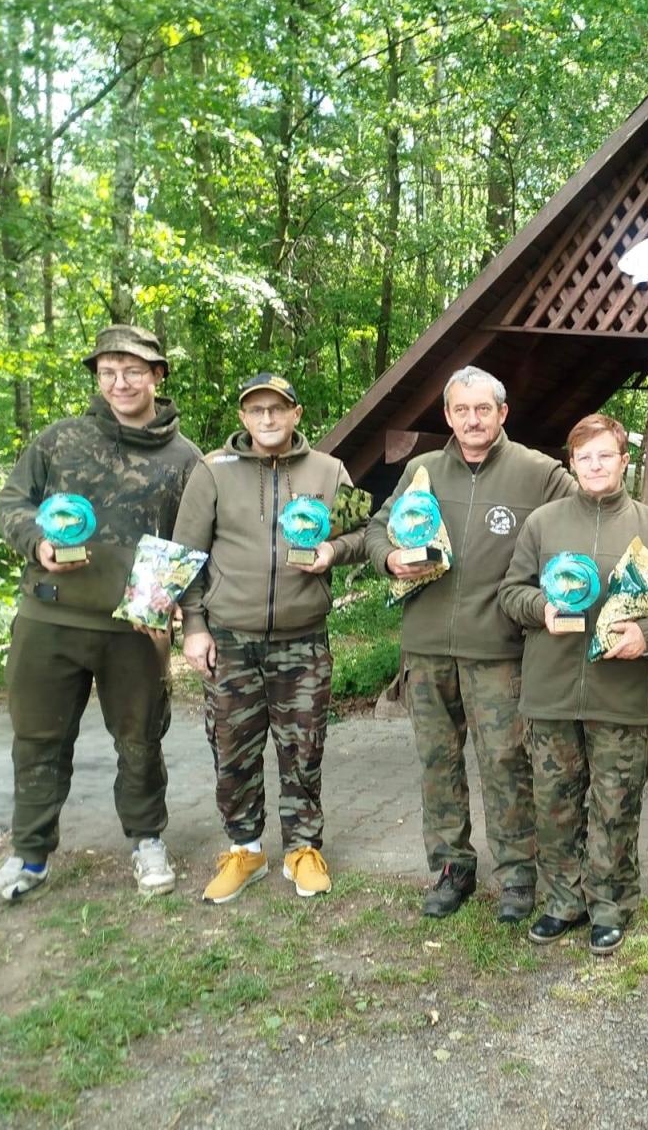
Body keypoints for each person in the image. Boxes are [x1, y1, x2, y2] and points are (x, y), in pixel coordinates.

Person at [0, 325, 201, 920]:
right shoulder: (59, 440)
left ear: (158, 375)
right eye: (108, 371)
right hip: (49, 618)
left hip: (134, 631)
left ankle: (146, 841)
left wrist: (180, 611)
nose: (120, 382)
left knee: (141, 740)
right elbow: (12, 502)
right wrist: (36, 540)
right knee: (38, 740)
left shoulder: (186, 457)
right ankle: (28, 857)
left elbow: (195, 540)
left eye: (134, 371)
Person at [366, 367, 576, 923]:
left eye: (484, 409)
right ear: (448, 416)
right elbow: (376, 529)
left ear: (502, 413)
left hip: (499, 651)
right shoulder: (423, 470)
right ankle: (452, 867)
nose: (473, 419)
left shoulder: (537, 473)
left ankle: (517, 876)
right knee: (438, 762)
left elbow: (593, 512)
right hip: (427, 647)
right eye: (462, 410)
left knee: (506, 763)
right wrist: (388, 557)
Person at [499, 414, 648, 955]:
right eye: (585, 457)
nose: (595, 466)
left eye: (605, 456)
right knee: (555, 803)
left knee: (616, 803)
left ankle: (610, 904)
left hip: (622, 695)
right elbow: (510, 593)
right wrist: (541, 606)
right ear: (572, 463)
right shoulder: (542, 524)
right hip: (550, 693)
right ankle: (562, 901)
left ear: (623, 461)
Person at [172, 374, 371, 904]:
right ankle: (245, 849)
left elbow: (364, 532)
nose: (267, 419)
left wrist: (336, 551)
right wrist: (193, 626)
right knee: (233, 749)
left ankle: (303, 849)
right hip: (230, 639)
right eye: (256, 410)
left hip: (302, 640)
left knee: (303, 747)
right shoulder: (212, 472)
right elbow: (184, 552)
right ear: (243, 417)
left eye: (277, 410)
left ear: (296, 414)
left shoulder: (329, 471)